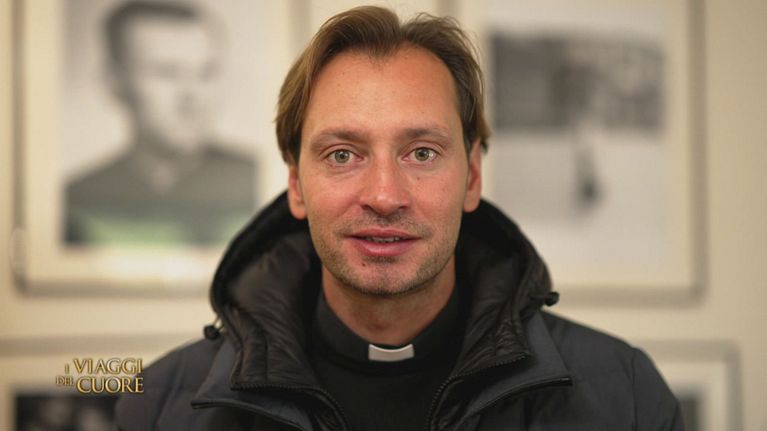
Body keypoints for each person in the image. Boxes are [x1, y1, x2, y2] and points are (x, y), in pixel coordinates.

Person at [116, 6, 683, 430]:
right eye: (343, 155)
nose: (385, 195)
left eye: (422, 153)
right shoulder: (163, 405)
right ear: (296, 183)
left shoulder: (623, 396)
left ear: (472, 176)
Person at [65, 0, 256, 247]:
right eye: (167, 73)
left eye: (205, 73)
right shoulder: (80, 199)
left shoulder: (256, 180)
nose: (191, 95)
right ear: (114, 82)